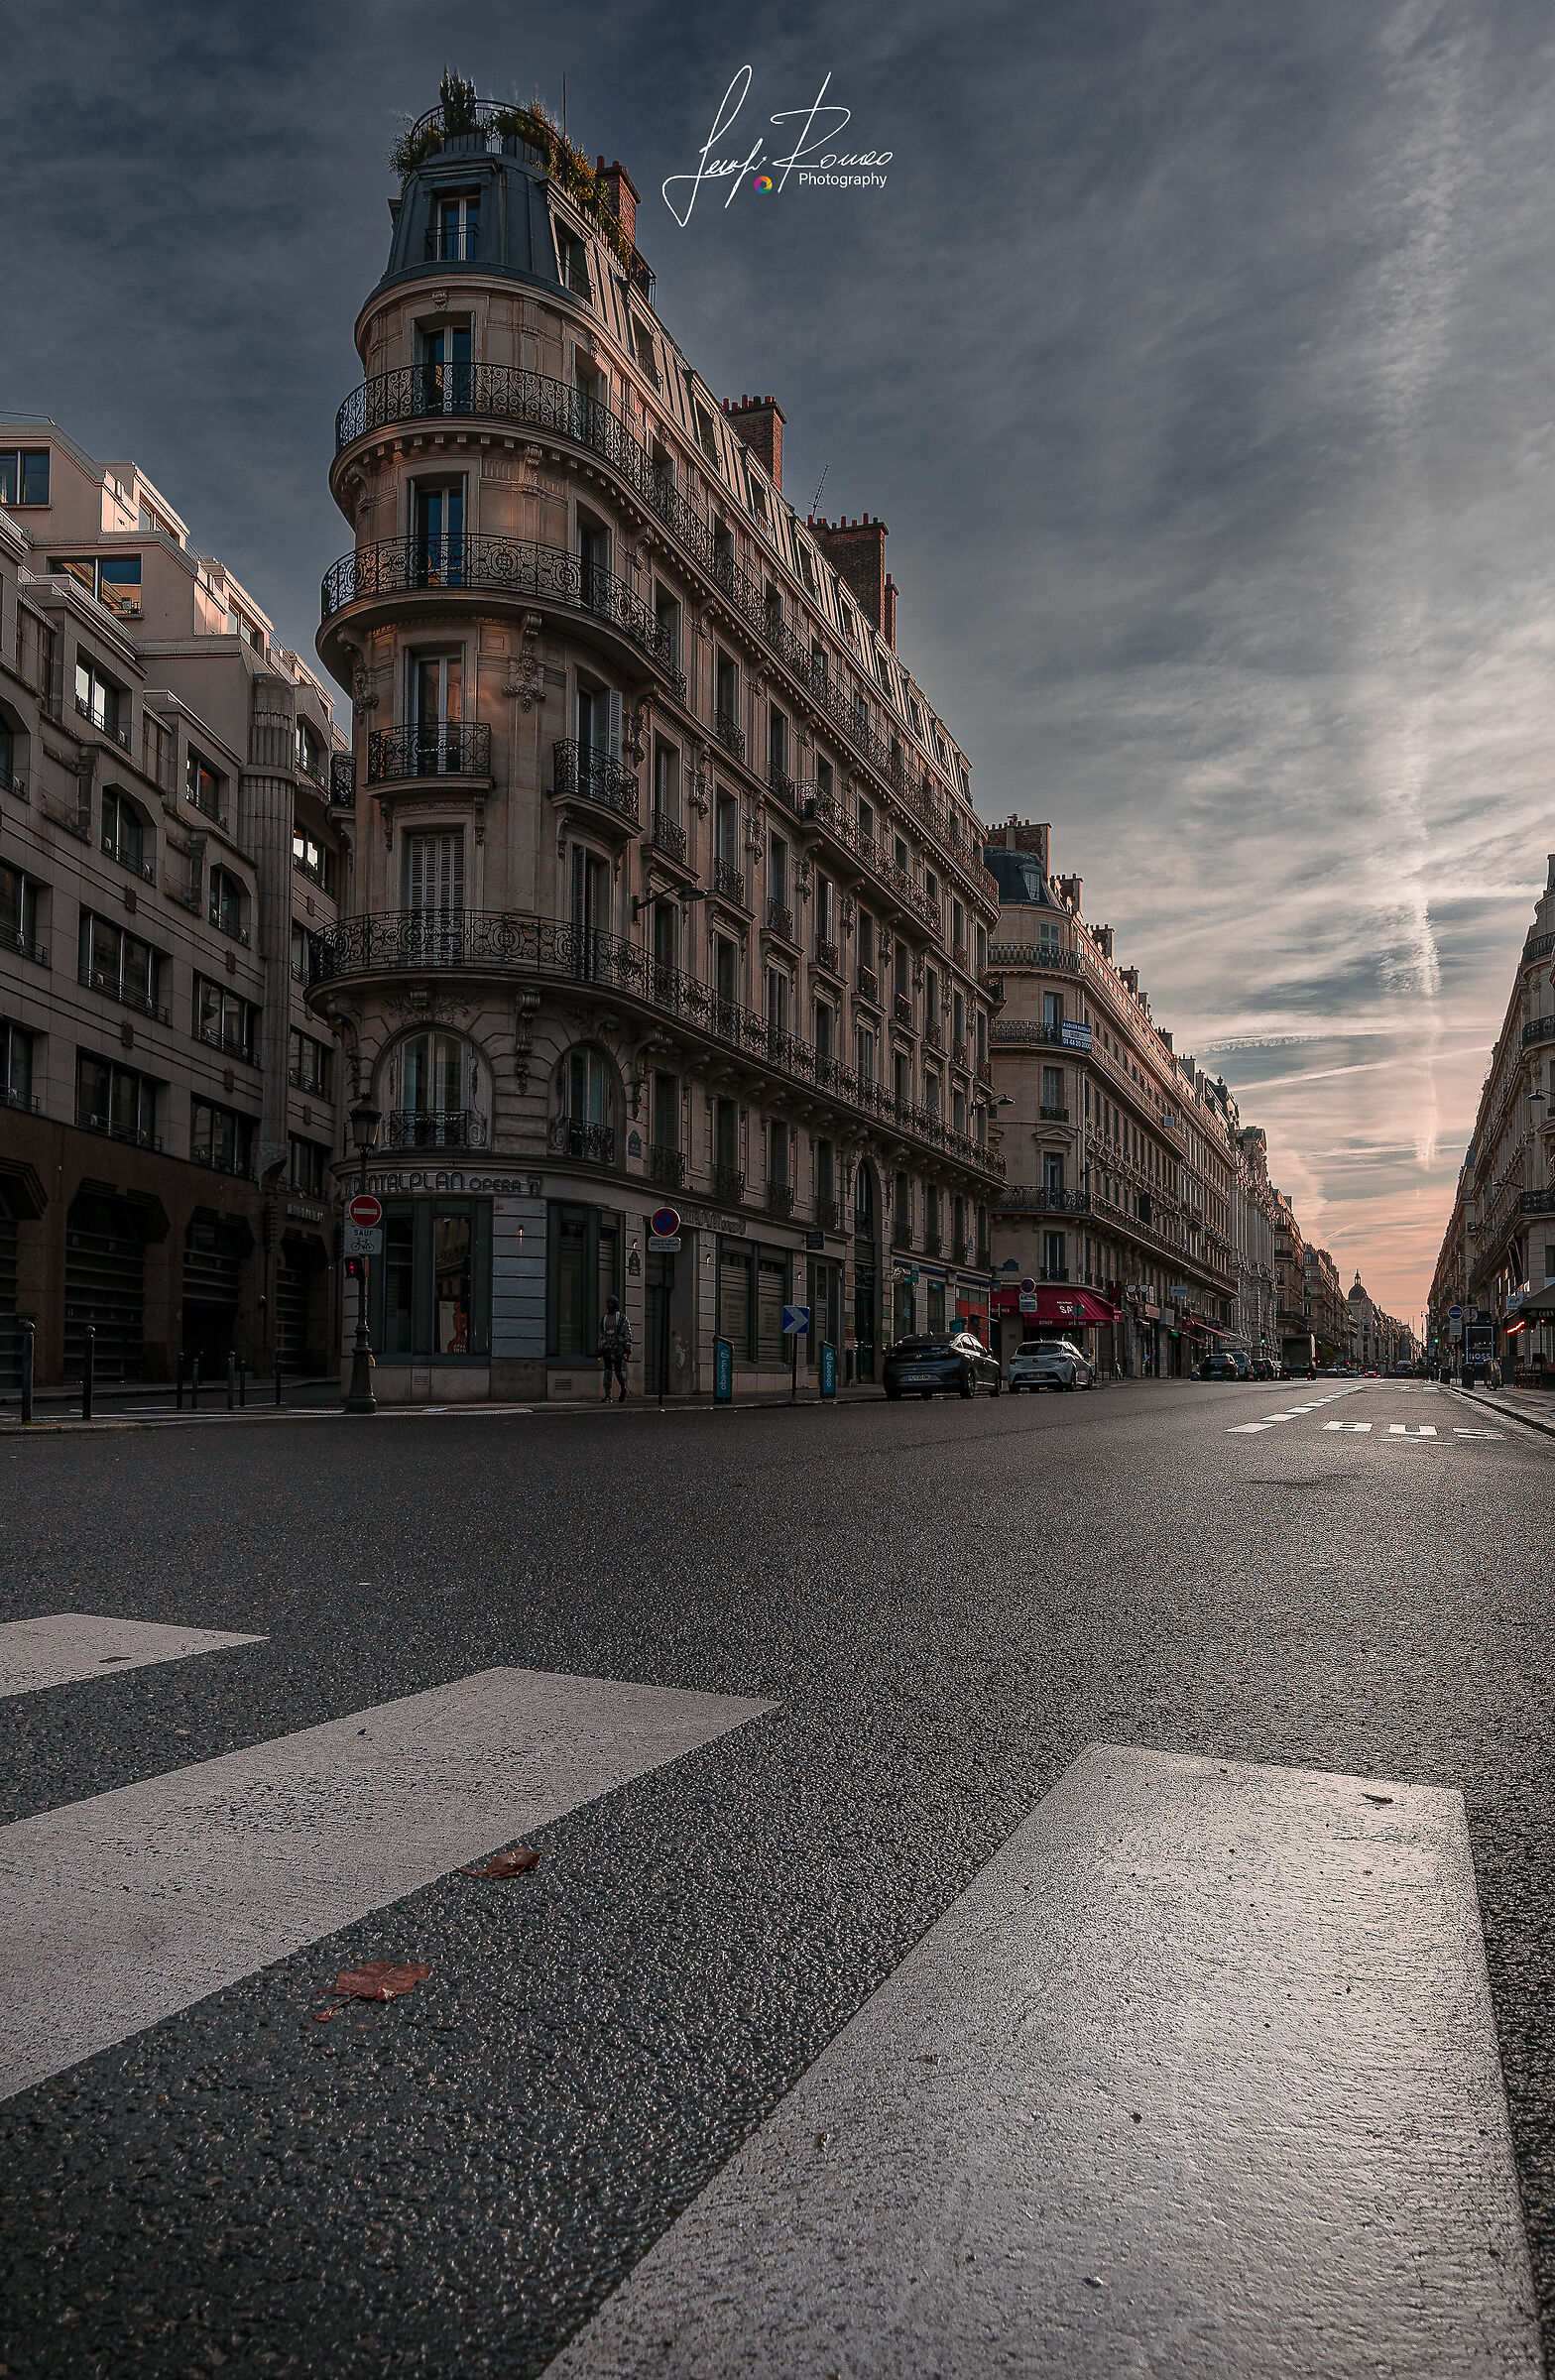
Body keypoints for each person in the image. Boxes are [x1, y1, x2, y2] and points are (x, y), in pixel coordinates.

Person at [598, 1296, 632, 1402]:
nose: (609, 1305)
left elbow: (627, 1333)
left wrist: (627, 1348)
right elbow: (602, 1334)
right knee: (607, 1371)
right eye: (607, 1303)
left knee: (617, 1371)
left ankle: (623, 1389)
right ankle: (607, 1395)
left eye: (611, 1303)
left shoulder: (621, 1318)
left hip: (618, 1347)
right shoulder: (605, 1318)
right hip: (607, 1347)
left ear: (615, 1304)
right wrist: (600, 1348)